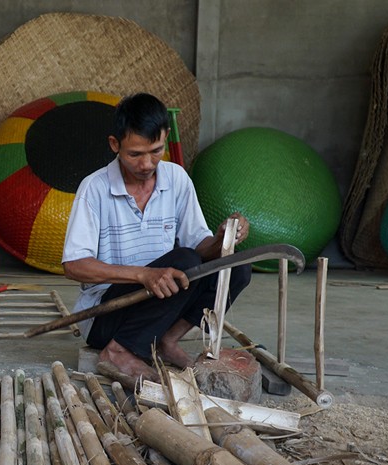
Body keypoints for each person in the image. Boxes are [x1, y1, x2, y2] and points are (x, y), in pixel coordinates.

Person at [62, 93, 251, 380]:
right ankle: (117, 350)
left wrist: (222, 240)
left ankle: (166, 341)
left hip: (160, 311)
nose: (147, 164)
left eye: (156, 151)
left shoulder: (176, 179)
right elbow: (74, 266)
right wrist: (143, 275)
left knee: (237, 266)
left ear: (165, 138)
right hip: (106, 316)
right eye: (135, 154)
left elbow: (201, 247)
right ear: (114, 144)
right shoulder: (94, 189)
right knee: (184, 261)